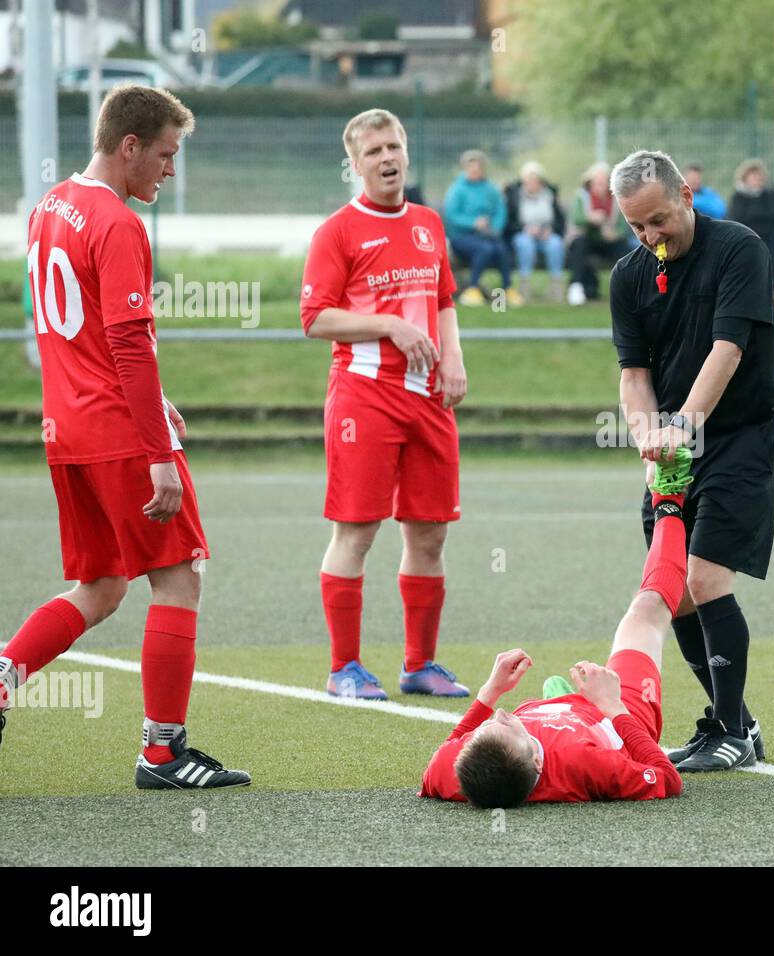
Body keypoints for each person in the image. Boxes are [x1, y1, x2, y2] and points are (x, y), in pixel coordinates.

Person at [1, 85, 250, 788]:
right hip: (116, 435)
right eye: (166, 155)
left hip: (68, 431)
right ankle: (163, 753)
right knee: (179, 579)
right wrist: (160, 454)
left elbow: (81, 331)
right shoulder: (116, 222)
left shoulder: (50, 207)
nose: (170, 170)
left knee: (102, 585)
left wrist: (155, 401)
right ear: (130, 145)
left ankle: (1, 675)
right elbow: (129, 342)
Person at [610, 149, 774, 772]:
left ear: (685, 193)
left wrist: (683, 425)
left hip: (738, 436)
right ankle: (735, 726)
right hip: (676, 448)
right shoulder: (629, 276)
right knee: (675, 593)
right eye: (637, 227)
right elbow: (633, 375)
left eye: (658, 219)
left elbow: (728, 349)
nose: (651, 237)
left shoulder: (740, 248)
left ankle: (732, 733)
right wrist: (645, 434)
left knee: (705, 579)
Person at [301, 108, 470, 701]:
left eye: (393, 146)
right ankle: (343, 667)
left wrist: (454, 358)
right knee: (358, 532)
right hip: (364, 400)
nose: (387, 158)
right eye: (373, 152)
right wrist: (389, 327)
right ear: (354, 164)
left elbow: (444, 298)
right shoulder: (337, 232)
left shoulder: (428, 222)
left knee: (429, 536)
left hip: (429, 401)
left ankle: (419, 664)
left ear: (406, 150)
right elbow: (315, 317)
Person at [420, 451, 695, 806]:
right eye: (503, 725)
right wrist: (612, 706)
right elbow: (667, 779)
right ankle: (669, 498)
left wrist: (489, 692)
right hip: (617, 714)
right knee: (646, 611)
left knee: (528, 714)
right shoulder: (583, 764)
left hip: (570, 713)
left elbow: (444, 754)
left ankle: (559, 701)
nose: (499, 714)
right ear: (538, 761)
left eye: (482, 730)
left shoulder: (454, 772)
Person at [444, 149, 520, 307]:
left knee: (501, 249)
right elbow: (452, 215)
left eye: (478, 168)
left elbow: (500, 210)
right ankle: (472, 289)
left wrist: (495, 227)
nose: (474, 171)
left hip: (487, 234)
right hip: (462, 236)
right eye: (471, 168)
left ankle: (506, 289)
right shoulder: (457, 190)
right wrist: (473, 223)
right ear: (465, 168)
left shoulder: (491, 189)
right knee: (484, 249)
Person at [566, 162, 637, 305]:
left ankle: (629, 289)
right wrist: (590, 219)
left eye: (603, 183)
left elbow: (625, 225)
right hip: (588, 239)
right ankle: (576, 286)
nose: (599, 186)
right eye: (596, 183)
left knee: (626, 249)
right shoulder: (581, 197)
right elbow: (576, 220)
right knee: (579, 244)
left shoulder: (617, 199)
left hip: (609, 241)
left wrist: (615, 233)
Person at [504, 160, 568, 303]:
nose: (532, 183)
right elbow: (509, 223)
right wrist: (524, 229)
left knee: (555, 244)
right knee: (525, 243)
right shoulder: (514, 196)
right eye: (529, 180)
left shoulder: (550, 195)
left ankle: (556, 287)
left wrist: (550, 230)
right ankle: (524, 286)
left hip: (546, 234)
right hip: (524, 233)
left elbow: (560, 221)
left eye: (535, 180)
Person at [726, 158, 774, 295]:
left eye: (760, 176)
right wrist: (759, 216)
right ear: (745, 178)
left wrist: (755, 216)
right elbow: (739, 219)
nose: (757, 179)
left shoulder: (768, 195)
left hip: (767, 236)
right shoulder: (738, 196)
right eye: (753, 176)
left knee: (770, 252)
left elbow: (773, 216)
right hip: (745, 238)